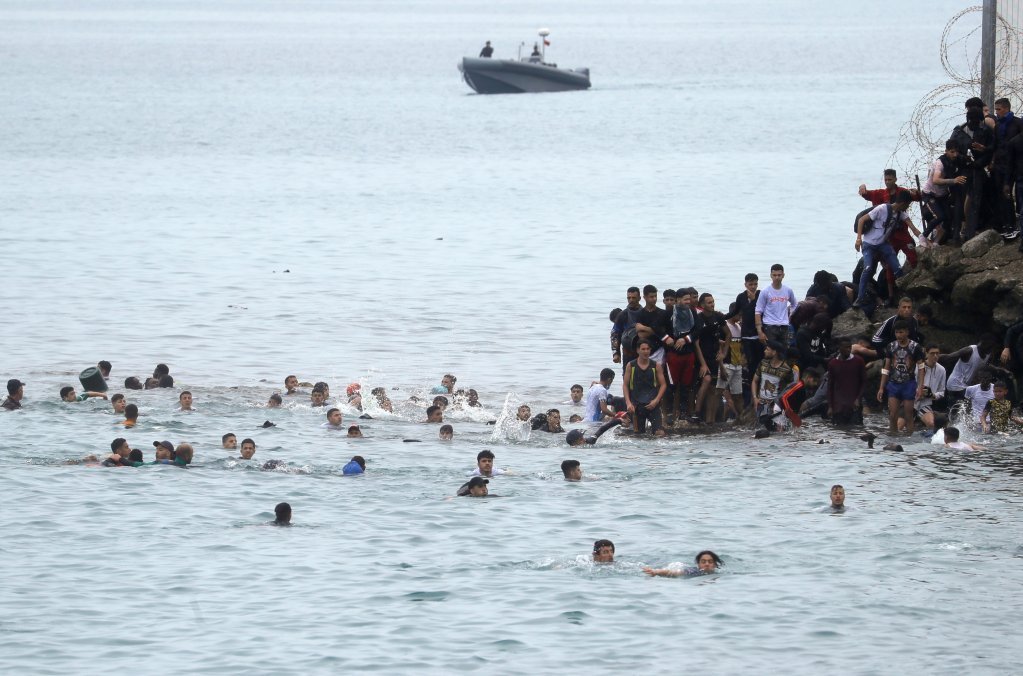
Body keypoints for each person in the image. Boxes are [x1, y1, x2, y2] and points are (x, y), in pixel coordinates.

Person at [854, 190, 914, 308]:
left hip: (883, 245)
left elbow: (913, 228)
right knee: (868, 268)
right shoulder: (881, 209)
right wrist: (858, 239)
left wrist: (923, 239)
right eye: (907, 205)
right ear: (902, 203)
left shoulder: (900, 214)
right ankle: (860, 298)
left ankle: (904, 298)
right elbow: (861, 220)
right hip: (869, 244)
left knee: (897, 269)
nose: (908, 207)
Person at [878, 320, 926, 435]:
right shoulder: (891, 346)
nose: (899, 335)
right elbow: (886, 368)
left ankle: (910, 439)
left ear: (907, 332)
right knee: (893, 414)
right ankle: (893, 437)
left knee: (908, 415)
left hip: (909, 384)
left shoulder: (915, 347)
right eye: (897, 332)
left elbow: (921, 368)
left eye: (901, 332)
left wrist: (920, 387)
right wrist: (881, 387)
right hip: (894, 384)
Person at [921, 140, 967, 244]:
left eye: (957, 152)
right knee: (940, 216)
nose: (955, 154)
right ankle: (923, 236)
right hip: (930, 194)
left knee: (948, 217)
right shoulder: (940, 163)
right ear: (946, 151)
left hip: (943, 195)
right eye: (952, 152)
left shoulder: (956, 160)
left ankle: (937, 242)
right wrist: (954, 181)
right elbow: (936, 180)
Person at [623, 340, 668, 436]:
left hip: (653, 405)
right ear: (638, 350)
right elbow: (625, 385)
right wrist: (628, 403)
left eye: (648, 349)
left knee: (659, 433)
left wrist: (656, 400)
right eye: (643, 349)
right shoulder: (631, 365)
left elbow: (663, 384)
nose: (646, 351)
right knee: (639, 436)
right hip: (637, 407)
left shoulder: (656, 366)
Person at [944, 335, 998, 406]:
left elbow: (987, 366)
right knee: (976, 400)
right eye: (989, 348)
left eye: (991, 348)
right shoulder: (969, 351)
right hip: (955, 384)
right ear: (982, 343)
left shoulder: (988, 354)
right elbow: (948, 357)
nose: (990, 350)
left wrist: (1001, 370)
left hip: (966, 386)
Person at [752, 340, 793, 427]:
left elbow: (791, 388)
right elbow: (754, 381)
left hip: (776, 406)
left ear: (774, 352)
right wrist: (755, 398)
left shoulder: (786, 369)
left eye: (767, 349)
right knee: (759, 429)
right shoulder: (763, 363)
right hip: (761, 404)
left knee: (778, 431)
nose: (764, 351)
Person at [755, 264, 797, 346]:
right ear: (771, 275)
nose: (777, 277)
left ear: (783, 275)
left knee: (783, 353)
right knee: (770, 352)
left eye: (779, 275)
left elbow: (794, 304)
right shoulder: (765, 291)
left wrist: (790, 315)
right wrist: (760, 331)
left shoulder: (788, 290)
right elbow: (758, 311)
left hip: (784, 326)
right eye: (774, 275)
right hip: (769, 326)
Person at [916, 345, 947, 430]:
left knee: (931, 423)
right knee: (899, 425)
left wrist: (932, 395)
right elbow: (910, 384)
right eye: (932, 353)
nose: (935, 356)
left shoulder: (941, 370)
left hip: (925, 403)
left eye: (937, 353)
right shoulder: (917, 366)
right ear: (926, 354)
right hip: (911, 400)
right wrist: (918, 391)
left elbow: (942, 392)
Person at [644, 551, 723, 577]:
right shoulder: (693, 571)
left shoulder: (720, 573)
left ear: (715, 564)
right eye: (703, 561)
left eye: (710, 561)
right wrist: (656, 572)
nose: (706, 564)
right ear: (698, 565)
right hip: (674, 567)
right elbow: (674, 573)